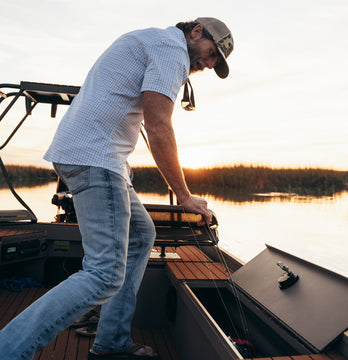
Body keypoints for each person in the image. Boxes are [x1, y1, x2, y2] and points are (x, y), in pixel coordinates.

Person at [0, 17, 234, 360]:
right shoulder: (172, 50)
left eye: (215, 63)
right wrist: (184, 196)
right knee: (105, 274)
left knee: (141, 235)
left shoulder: (152, 41)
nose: (208, 64)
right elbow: (157, 125)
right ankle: (8, 350)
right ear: (196, 32)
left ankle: (111, 342)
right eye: (212, 54)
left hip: (97, 158)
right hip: (98, 158)